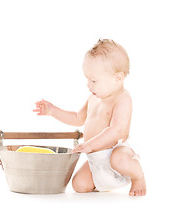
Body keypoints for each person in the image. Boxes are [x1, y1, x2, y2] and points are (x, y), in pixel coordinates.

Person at [33, 39, 146, 196]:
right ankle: (104, 182)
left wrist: (90, 144)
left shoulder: (122, 98)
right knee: (79, 185)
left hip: (116, 152)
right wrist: (53, 111)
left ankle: (138, 177)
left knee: (119, 159)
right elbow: (78, 118)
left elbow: (116, 129)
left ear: (118, 78)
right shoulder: (93, 98)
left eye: (94, 80)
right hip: (96, 159)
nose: (88, 85)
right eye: (87, 79)